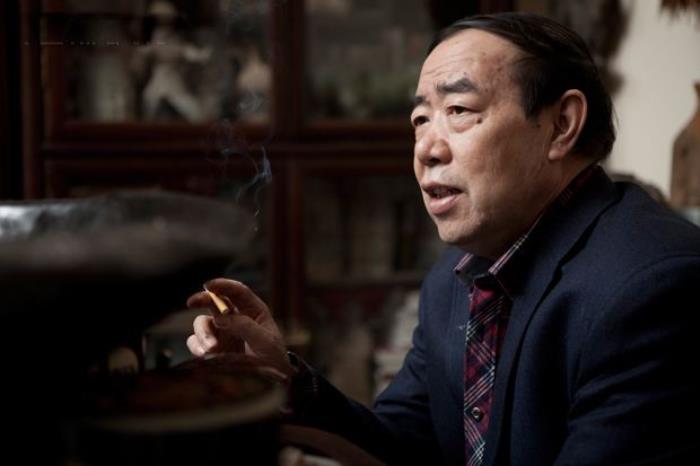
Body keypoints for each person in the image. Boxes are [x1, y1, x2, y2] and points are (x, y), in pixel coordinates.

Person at [186, 12, 700, 466]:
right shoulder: (454, 279)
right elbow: (401, 445)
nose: (426, 149)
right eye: (419, 119)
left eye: (458, 110)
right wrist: (287, 379)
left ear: (560, 125)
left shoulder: (655, 287)